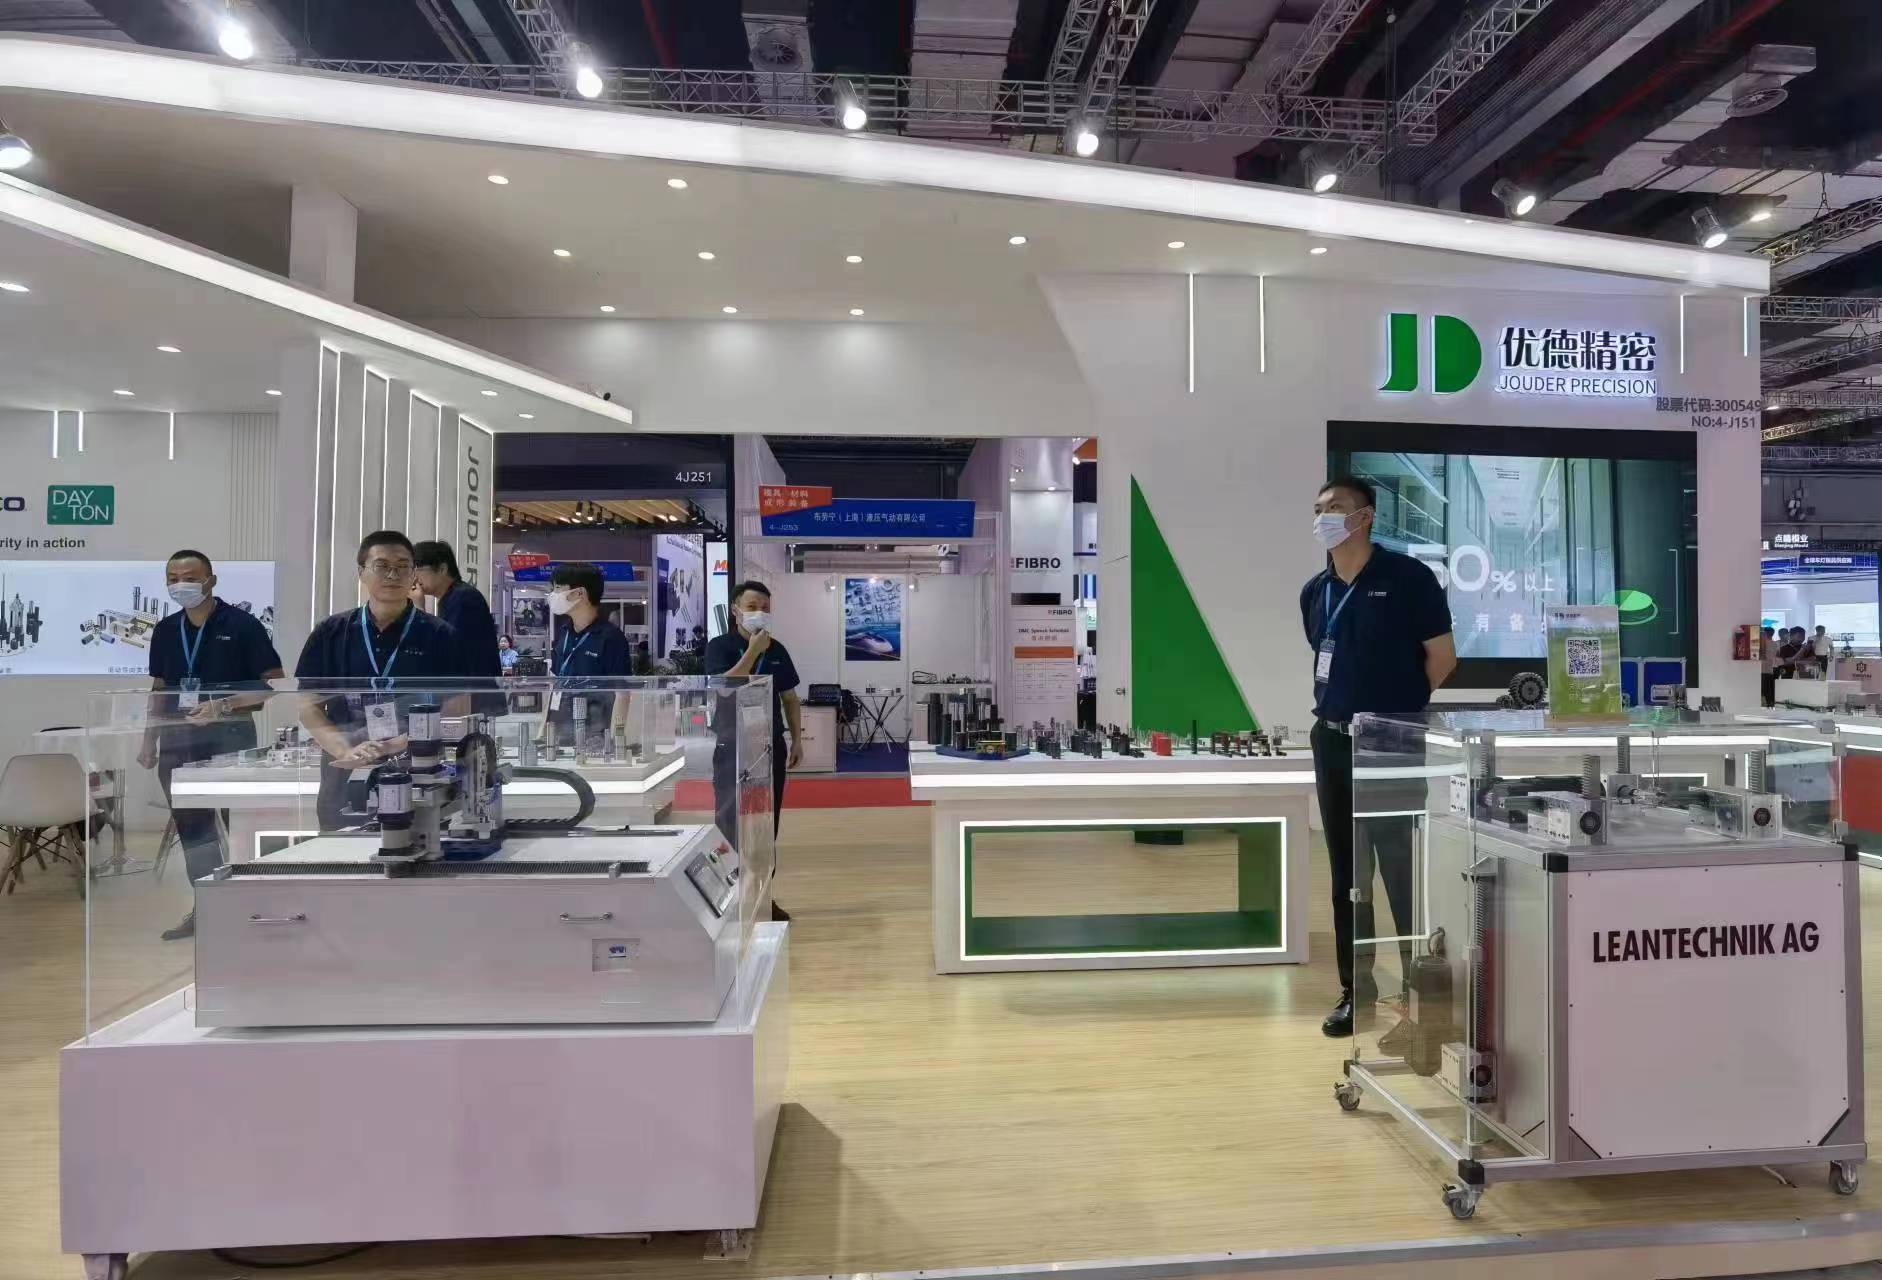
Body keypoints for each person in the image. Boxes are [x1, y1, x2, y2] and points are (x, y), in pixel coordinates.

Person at [1301, 476, 1456, 1038]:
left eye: (1335, 507)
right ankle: (1356, 990)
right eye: (1319, 508)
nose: (1323, 516)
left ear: (1364, 516)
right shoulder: (1315, 591)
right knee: (1347, 873)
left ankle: (1419, 992)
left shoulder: (1408, 579)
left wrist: (1397, 715)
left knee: (1398, 867)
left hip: (1391, 744)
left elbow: (1442, 659)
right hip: (1332, 741)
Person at [138, 550, 285, 940]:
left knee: (239, 825)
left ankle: (252, 906)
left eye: (189, 577)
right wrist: (148, 740)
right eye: (173, 578)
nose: (180, 584)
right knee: (193, 830)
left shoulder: (242, 625)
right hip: (177, 742)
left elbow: (271, 685)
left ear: (211, 580)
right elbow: (159, 690)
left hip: (229, 738)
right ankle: (206, 906)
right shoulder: (166, 630)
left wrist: (224, 704)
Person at [295, 532, 464, 828]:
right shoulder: (330, 633)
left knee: (420, 844)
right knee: (340, 851)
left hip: (419, 768)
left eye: (402, 566)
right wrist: (345, 749)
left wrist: (399, 743)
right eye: (382, 565)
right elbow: (308, 706)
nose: (392, 575)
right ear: (362, 572)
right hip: (344, 769)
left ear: (414, 574)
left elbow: (457, 709)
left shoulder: (440, 635)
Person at [705, 581, 802, 919]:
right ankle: (727, 898)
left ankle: (762, 897)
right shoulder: (720, 646)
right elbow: (725, 688)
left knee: (765, 824)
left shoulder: (778, 649)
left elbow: (789, 697)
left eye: (765, 607)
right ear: (735, 610)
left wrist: (797, 739)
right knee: (729, 821)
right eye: (751, 606)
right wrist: (753, 652)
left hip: (768, 746)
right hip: (732, 744)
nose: (759, 612)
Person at [542, 562, 633, 750]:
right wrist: (542, 734)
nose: (553, 595)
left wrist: (613, 743)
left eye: (558, 588)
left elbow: (622, 694)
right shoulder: (564, 632)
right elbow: (555, 686)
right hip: (560, 732)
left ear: (580, 593)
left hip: (596, 736)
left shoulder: (610, 638)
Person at [413, 541, 500, 677]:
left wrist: (419, 609)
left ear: (442, 569)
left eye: (418, 568)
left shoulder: (464, 598)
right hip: (469, 686)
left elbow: (445, 648)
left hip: (474, 687)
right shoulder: (453, 597)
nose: (414, 577)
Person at [1760, 625, 1777, 706]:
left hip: (1763, 668)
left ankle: (1767, 704)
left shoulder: (1763, 643)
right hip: (1770, 668)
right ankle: (1770, 703)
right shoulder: (1775, 644)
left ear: (1765, 633)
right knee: (1769, 688)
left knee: (1764, 688)